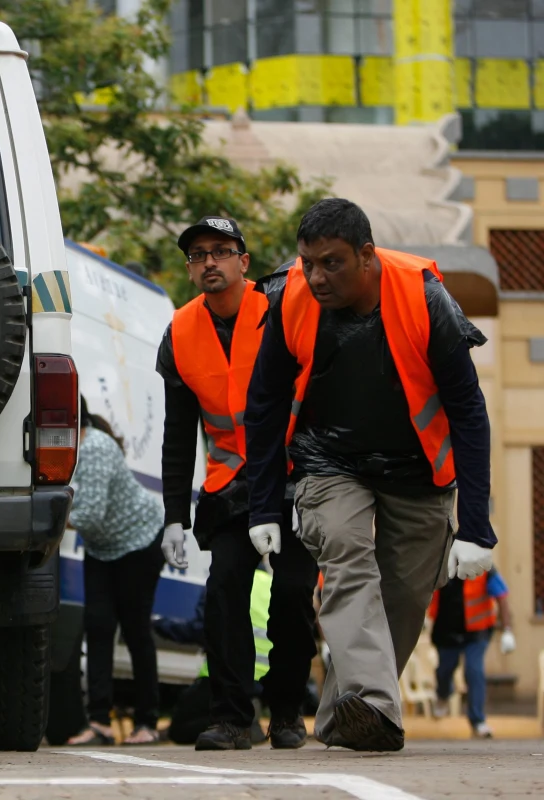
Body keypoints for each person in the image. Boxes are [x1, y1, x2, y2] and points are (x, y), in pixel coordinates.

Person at [243, 198, 496, 752]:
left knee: (404, 598)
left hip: (418, 471)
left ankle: (346, 718)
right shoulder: (290, 299)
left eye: (331, 263)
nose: (315, 277)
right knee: (345, 553)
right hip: (328, 464)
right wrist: (263, 505)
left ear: (366, 255)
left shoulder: (426, 300)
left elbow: (469, 416)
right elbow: (263, 407)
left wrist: (476, 524)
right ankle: (377, 708)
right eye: (307, 262)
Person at [155, 216, 319, 751]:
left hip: (292, 477)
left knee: (293, 593)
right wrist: (174, 516)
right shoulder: (179, 331)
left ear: (243, 262)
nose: (210, 262)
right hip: (229, 487)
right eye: (198, 254)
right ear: (190, 268)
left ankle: (289, 710)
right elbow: (179, 435)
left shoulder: (279, 311)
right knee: (225, 590)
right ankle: (230, 719)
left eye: (221, 252)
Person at [64, 398, 165, 746]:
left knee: (136, 630)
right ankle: (99, 723)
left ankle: (147, 723)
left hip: (139, 539)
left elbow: (88, 515)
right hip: (102, 547)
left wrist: (46, 520)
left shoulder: (93, 448)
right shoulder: (72, 448)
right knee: (98, 627)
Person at [154, 568, 272, 746]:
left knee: (179, 729)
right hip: (267, 679)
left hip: (225, 676)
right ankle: (247, 714)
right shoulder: (271, 583)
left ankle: (239, 722)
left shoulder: (223, 576)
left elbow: (200, 630)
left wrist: (158, 624)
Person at [429, 566, 516, 738]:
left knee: (474, 671)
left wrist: (507, 630)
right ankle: (443, 694)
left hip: (477, 632)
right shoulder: (441, 565)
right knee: (444, 670)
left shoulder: (484, 568)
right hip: (446, 631)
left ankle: (478, 722)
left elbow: (502, 596)